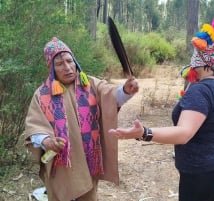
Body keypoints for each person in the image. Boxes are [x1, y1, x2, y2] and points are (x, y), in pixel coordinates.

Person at [109, 18, 214, 201]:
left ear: (205, 58)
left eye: (197, 52)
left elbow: (184, 133)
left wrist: (144, 133)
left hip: (202, 171)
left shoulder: (202, 89)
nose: (193, 58)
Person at [24, 37, 139, 201]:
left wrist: (126, 91)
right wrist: (47, 141)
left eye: (69, 61)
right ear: (51, 69)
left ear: (75, 61)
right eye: (59, 64)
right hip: (61, 166)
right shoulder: (42, 94)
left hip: (87, 161)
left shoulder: (90, 84)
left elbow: (111, 96)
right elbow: (34, 126)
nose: (67, 67)